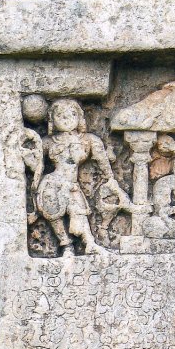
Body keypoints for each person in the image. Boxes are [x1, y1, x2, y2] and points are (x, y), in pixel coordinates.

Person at [34, 99, 127, 256]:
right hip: (52, 183)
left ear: (80, 118)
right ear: (51, 120)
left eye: (72, 114)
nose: (66, 118)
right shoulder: (48, 142)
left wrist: (110, 178)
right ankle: (66, 245)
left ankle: (89, 243)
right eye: (60, 115)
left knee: (79, 211)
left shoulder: (88, 140)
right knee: (53, 213)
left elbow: (102, 161)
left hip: (71, 183)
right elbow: (36, 165)